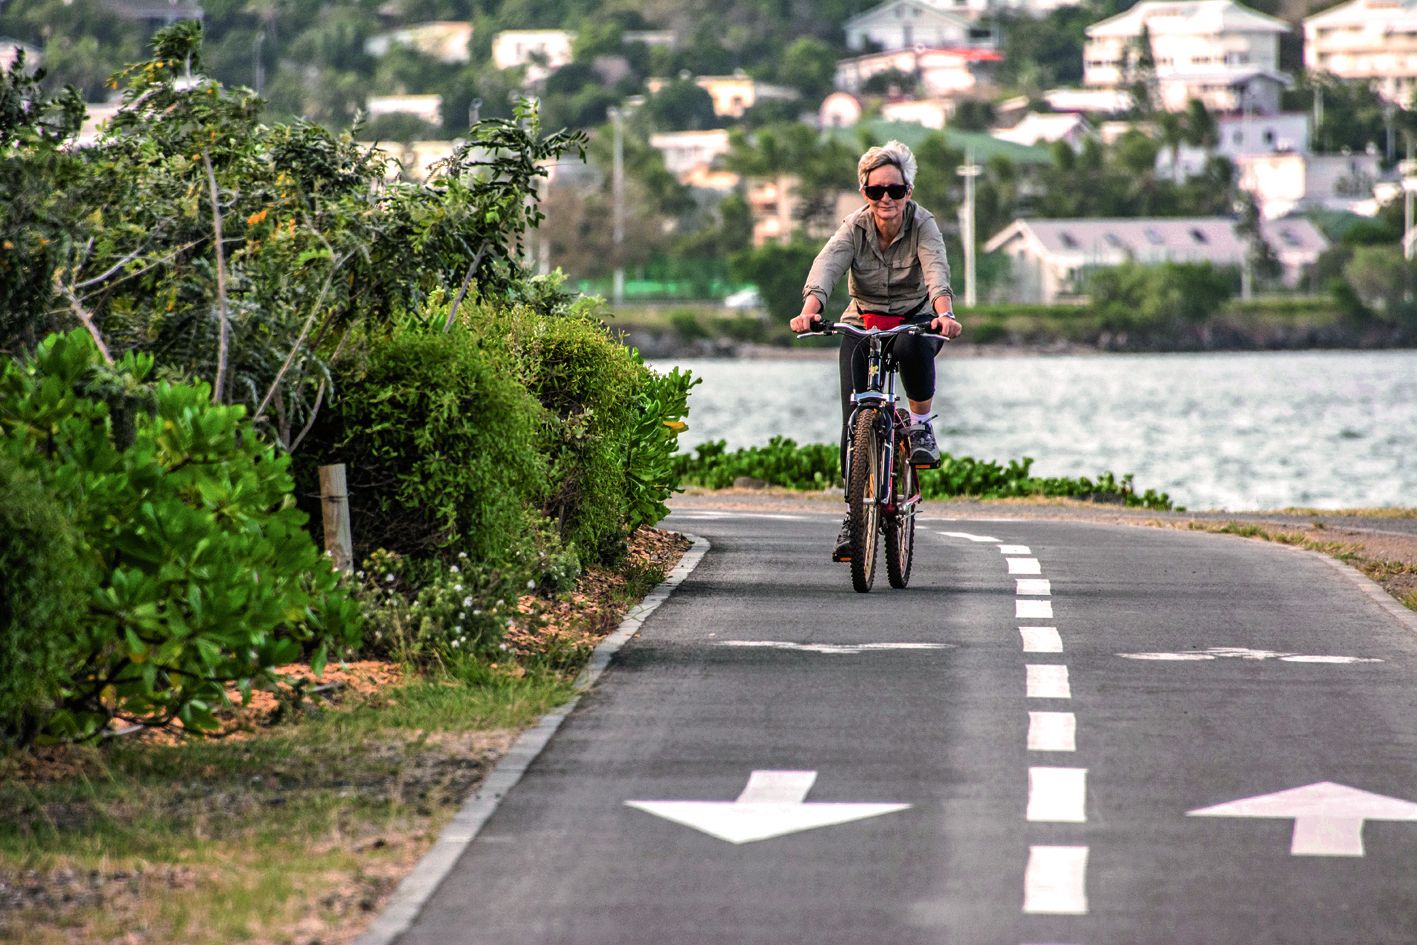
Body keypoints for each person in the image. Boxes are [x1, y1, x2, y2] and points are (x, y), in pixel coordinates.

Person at [788, 140, 964, 561]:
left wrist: (945, 313)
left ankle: (920, 425)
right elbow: (827, 265)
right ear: (864, 193)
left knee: (911, 345)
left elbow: (936, 269)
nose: (886, 199)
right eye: (875, 191)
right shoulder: (853, 227)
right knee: (853, 423)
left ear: (908, 191)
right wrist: (810, 309)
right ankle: (853, 519)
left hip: (916, 317)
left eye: (896, 191)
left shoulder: (924, 225)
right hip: (862, 319)